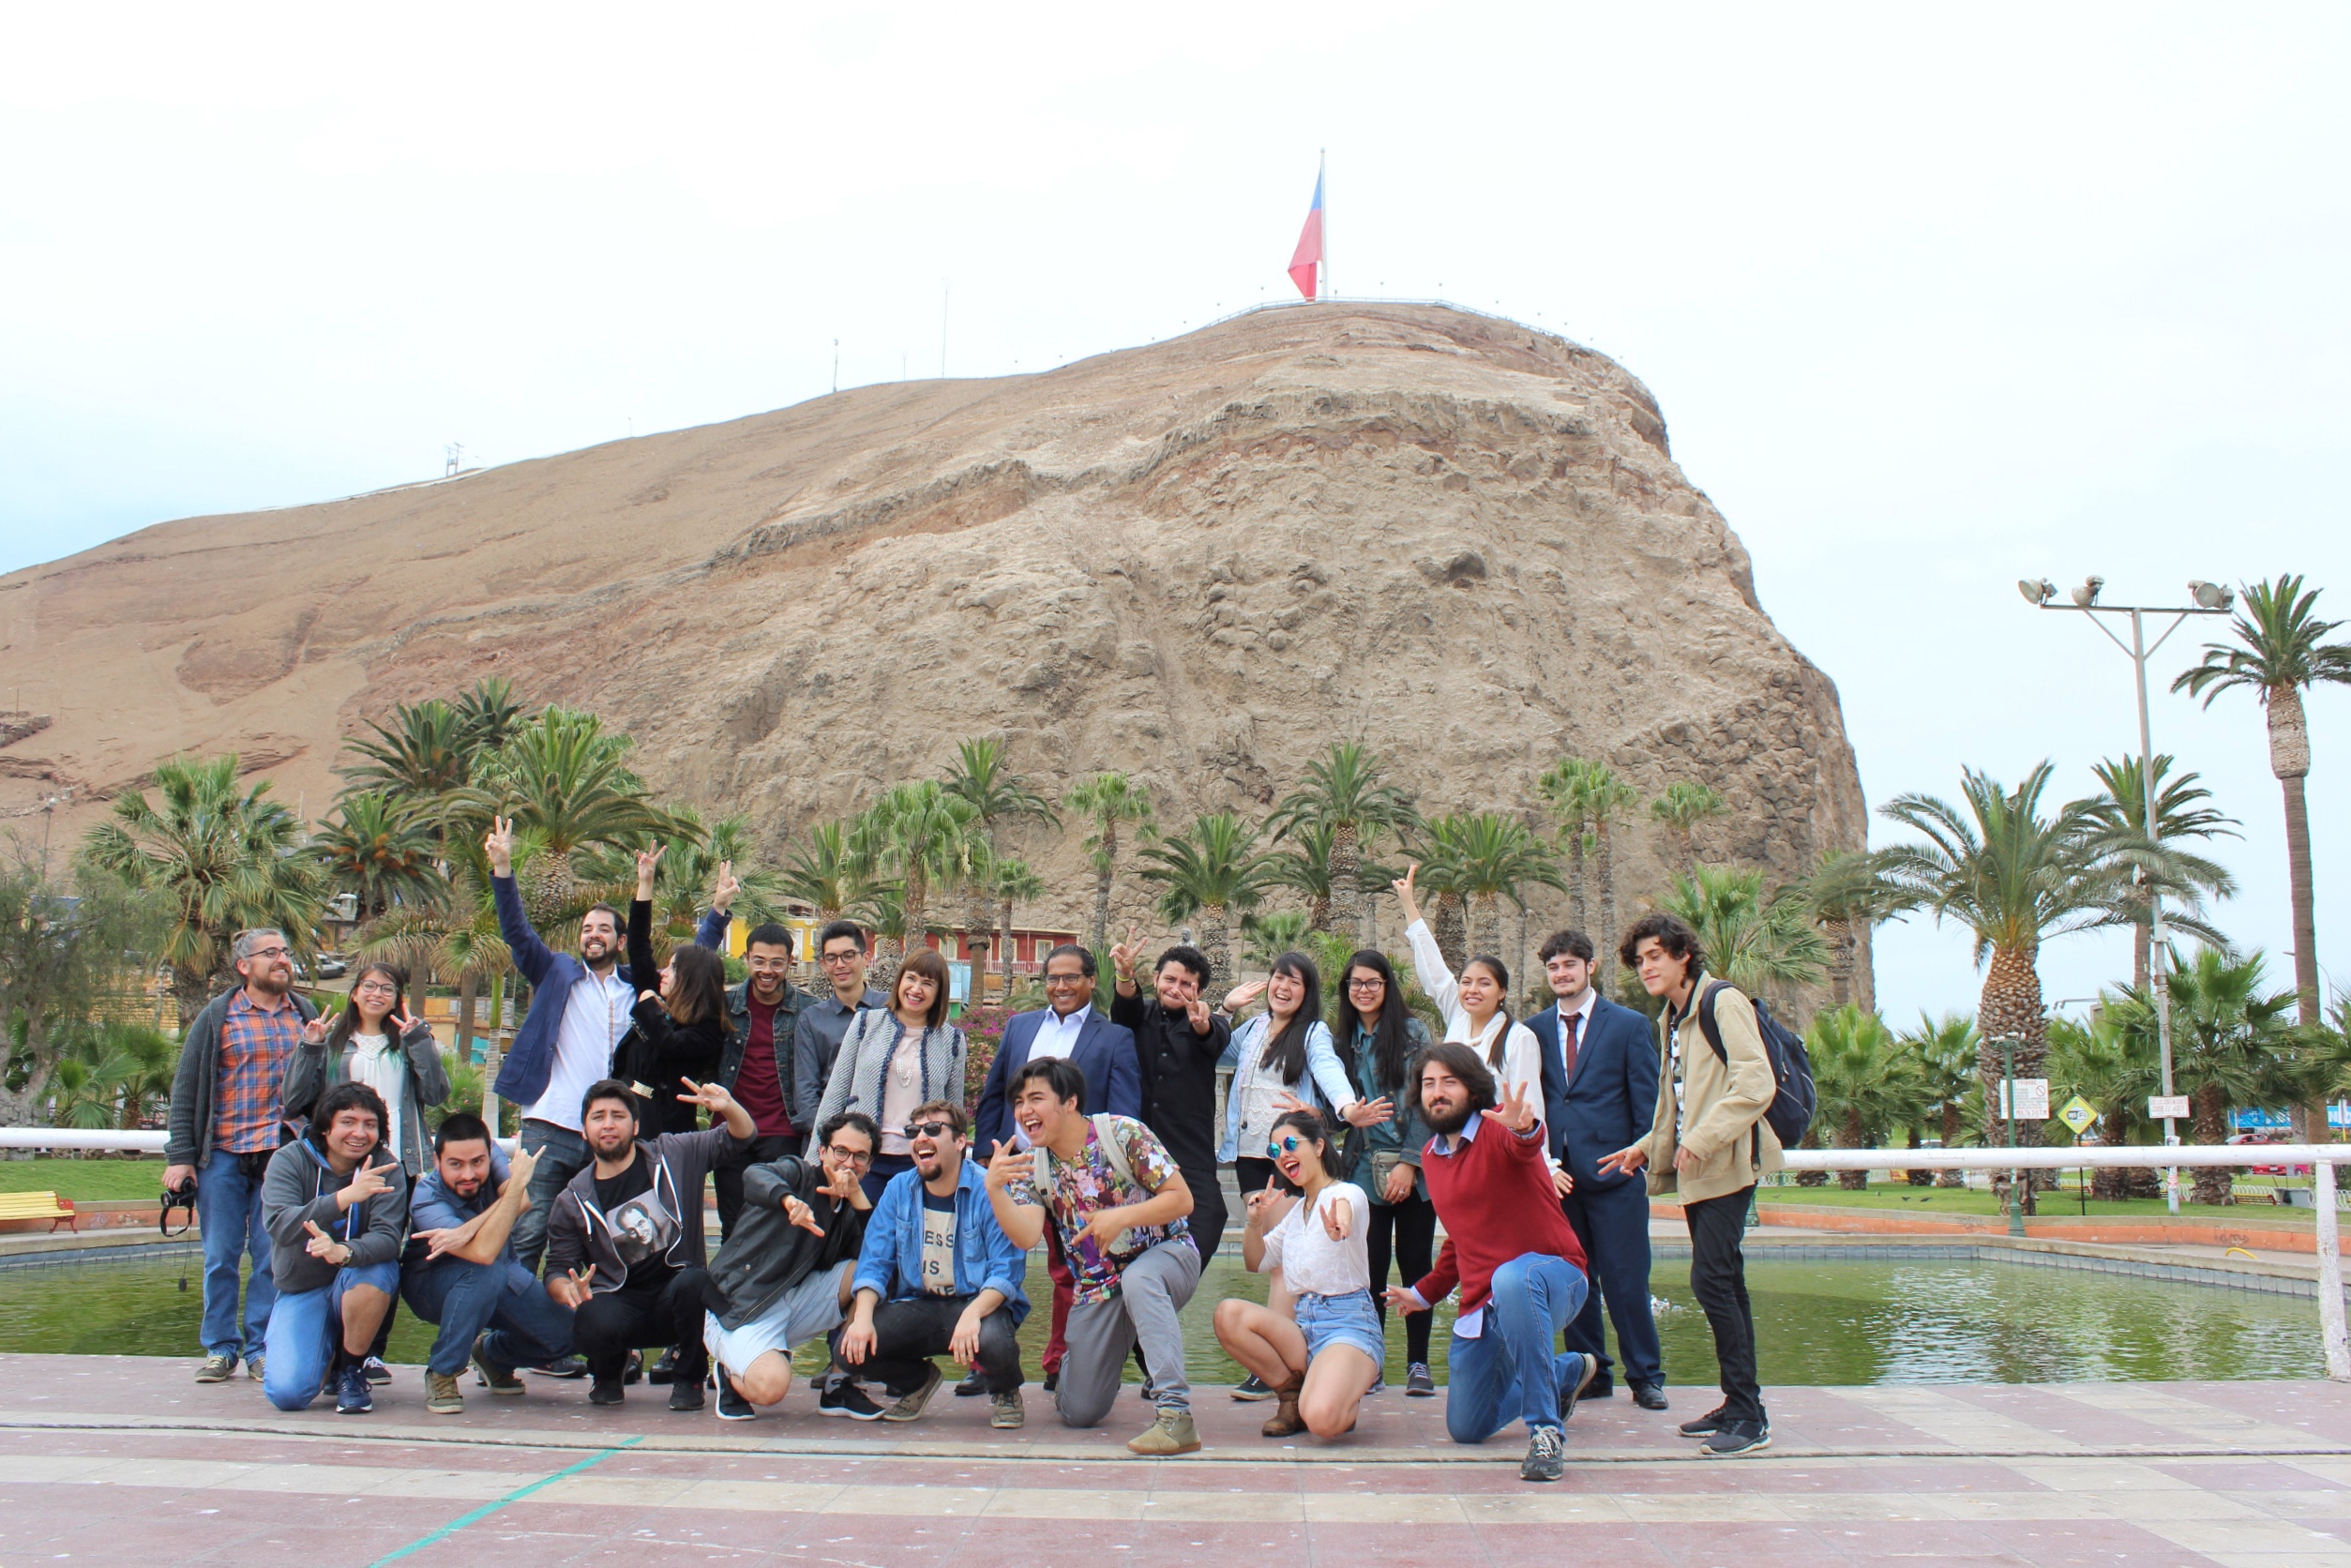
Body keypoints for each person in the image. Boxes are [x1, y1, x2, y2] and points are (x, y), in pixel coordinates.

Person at [1599, 913, 1782, 1458]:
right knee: (1726, 1281)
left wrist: (1703, 1138)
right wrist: (1646, 1147)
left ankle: (1748, 1417)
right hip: (1699, 1167)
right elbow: (1672, 1102)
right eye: (1639, 960)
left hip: (1727, 1163)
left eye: (1656, 956)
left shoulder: (1721, 1001)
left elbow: (1755, 1082)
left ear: (1683, 955)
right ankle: (1739, 1401)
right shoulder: (1673, 1018)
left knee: (1711, 1281)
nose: (1646, 967)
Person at [1384, 1043, 1595, 1484]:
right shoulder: (1431, 1158)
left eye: (1449, 1082)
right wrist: (1423, 1293)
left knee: (1512, 1278)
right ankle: (1565, 1371)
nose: (1437, 1092)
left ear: (1473, 1089)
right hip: (1485, 1304)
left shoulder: (1500, 1127)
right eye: (1428, 1084)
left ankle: (1545, 1432)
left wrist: (1525, 1127)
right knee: (1467, 1427)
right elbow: (1461, 1240)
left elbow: (1526, 1142)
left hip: (1555, 1276)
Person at [987, 1055, 1201, 1455]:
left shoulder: (1122, 1134)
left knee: (1141, 1280)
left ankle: (1175, 1415)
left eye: (1036, 1098)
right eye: (1018, 1102)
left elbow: (1183, 1200)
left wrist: (1121, 1217)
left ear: (1070, 1102)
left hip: (1166, 1255)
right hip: (1100, 1286)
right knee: (1078, 1409)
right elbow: (1025, 1235)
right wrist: (995, 1190)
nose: (1024, 1110)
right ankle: (1103, 1357)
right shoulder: (1035, 1167)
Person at [972, 942, 1139, 1395]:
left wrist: (1112, 1172)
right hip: (1018, 1168)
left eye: (1070, 978)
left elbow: (1124, 1110)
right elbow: (993, 1095)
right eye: (1052, 978)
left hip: (1077, 1172)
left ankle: (1061, 1363)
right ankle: (983, 1361)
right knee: (994, 1261)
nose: (1060, 986)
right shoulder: (1019, 1027)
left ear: (1091, 981)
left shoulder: (1114, 1037)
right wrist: (986, 1160)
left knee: (1074, 1270)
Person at [485, 816, 644, 1284]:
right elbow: (516, 931)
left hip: (607, 1135)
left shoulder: (634, 990)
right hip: (548, 1126)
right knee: (528, 1232)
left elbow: (689, 969)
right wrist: (503, 869)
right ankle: (504, 1342)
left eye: (603, 929)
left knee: (606, 1241)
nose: (592, 934)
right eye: (586, 928)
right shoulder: (556, 972)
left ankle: (588, 1344)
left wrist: (717, 914)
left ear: (620, 940)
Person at [165, 927, 326, 1386]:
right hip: (222, 1152)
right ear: (244, 966)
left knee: (271, 1254)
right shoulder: (219, 1015)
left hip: (280, 1154)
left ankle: (260, 1348)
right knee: (220, 1255)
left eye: (286, 953)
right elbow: (186, 1088)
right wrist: (180, 1156)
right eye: (270, 953)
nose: (282, 960)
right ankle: (220, 1347)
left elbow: (316, 1088)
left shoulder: (305, 1013)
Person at [281, 960, 447, 1386]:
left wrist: (419, 1040)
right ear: (354, 992)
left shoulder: (406, 1041)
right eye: (369, 986)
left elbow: (437, 1093)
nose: (377, 994)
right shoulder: (335, 1043)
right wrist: (311, 1047)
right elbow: (295, 1100)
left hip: (398, 1161)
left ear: (398, 997)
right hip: (342, 1161)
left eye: (387, 988)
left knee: (384, 1249)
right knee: (333, 1242)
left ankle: (370, 1352)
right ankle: (327, 1342)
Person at [544, 1076, 755, 1410]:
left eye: (618, 1115)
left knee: (694, 1281)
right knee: (591, 1316)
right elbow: (557, 1268)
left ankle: (689, 1378)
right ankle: (609, 1373)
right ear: (584, 1130)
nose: (608, 1125)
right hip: (620, 1301)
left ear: (636, 1124)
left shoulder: (673, 1154)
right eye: (598, 1117)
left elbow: (741, 1137)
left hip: (676, 1298)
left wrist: (728, 1108)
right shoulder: (572, 1200)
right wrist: (565, 1289)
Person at [1529, 927, 1666, 1410]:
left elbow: (1647, 1100)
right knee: (1575, 1283)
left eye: (1569, 964)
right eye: (1553, 967)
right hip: (1559, 1183)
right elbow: (1533, 1102)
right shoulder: (1533, 1030)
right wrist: (1541, 1166)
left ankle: (1646, 1377)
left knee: (1628, 1282)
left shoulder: (1627, 1025)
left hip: (1617, 1175)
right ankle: (1591, 1375)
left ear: (1591, 966)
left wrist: (1640, 1153)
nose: (1561, 973)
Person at [832, 1100, 1030, 1429]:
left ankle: (1006, 1390)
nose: (921, 1137)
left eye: (933, 1129)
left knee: (995, 1339)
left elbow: (1007, 1270)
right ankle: (918, 1381)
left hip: (975, 1305)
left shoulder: (987, 1189)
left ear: (960, 1141)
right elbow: (874, 1262)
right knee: (848, 1350)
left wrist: (971, 1314)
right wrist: (862, 1317)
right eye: (914, 1131)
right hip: (918, 1304)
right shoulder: (899, 1189)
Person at [1214, 1108, 1382, 1440]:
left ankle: (1341, 1389)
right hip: (1304, 1327)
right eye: (1275, 1151)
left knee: (1321, 1421)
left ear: (1319, 1147)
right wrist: (1255, 1222)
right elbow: (1255, 1262)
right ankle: (1292, 1398)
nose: (1283, 1155)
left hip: (1347, 1325)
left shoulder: (1346, 1194)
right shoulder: (1294, 1216)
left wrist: (1340, 1226)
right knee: (1228, 1314)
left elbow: (1344, 1212)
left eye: (1291, 1144)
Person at [702, 1110, 876, 1421]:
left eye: (860, 1156)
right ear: (822, 1151)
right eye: (841, 1152)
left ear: (870, 1164)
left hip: (794, 1303)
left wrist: (859, 1198)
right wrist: (788, 1200)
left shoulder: (850, 1211)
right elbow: (755, 1175)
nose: (849, 1163)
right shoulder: (797, 1174)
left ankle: (838, 1385)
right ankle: (727, 1374)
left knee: (868, 1274)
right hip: (739, 1306)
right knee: (771, 1389)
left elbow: (878, 1259)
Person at [399, 1112, 578, 1416]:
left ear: (489, 1152)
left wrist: (467, 1227)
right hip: (434, 1287)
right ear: (437, 1159)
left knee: (571, 1333)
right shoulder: (425, 1197)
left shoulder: (490, 1149)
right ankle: (443, 1372)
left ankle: (493, 1355)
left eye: (477, 1163)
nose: (468, 1174)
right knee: (485, 1271)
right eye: (455, 1164)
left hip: (502, 1275)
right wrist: (514, 1187)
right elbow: (482, 1251)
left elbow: (522, 1203)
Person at [257, 1081, 410, 1415]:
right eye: (348, 1122)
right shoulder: (289, 1160)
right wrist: (344, 1198)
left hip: (357, 1279)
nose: (359, 1132)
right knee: (288, 1394)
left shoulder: (386, 1168)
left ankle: (351, 1369)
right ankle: (325, 1356)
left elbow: (387, 1238)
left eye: (370, 1125)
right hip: (303, 1287)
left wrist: (345, 1252)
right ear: (326, 1126)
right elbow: (280, 1225)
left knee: (378, 1268)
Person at [691, 860, 820, 1233]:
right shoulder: (724, 1006)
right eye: (759, 961)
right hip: (731, 1129)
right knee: (734, 1223)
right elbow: (693, 971)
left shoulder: (808, 1012)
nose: (767, 970)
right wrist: (717, 910)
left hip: (783, 1132)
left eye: (776, 963)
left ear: (790, 963)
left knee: (776, 1224)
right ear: (746, 959)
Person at [1334, 948, 1439, 1398]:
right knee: (1369, 1272)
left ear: (1387, 986)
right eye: (1356, 983)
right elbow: (1336, 1105)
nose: (1364, 990)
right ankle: (1373, 1363)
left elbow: (1428, 1097)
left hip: (1414, 1171)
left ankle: (1418, 1363)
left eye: (1373, 982)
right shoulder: (1342, 1040)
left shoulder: (1414, 1033)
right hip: (1361, 1169)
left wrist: (1409, 1162)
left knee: (1417, 1266)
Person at [1107, 931, 1231, 1266]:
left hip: (1189, 1156)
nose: (1176, 989)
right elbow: (1125, 1006)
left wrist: (1202, 1023)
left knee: (1210, 1218)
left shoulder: (1207, 1025)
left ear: (1199, 992)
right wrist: (1124, 974)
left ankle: (1171, 1283)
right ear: (1156, 978)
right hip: (1135, 1159)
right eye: (1170, 979)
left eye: (1187, 984)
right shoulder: (1138, 1018)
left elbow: (1212, 1037)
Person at [813, 947, 965, 1200]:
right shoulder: (866, 1023)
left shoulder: (953, 1041)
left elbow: (954, 1111)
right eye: (911, 978)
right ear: (900, 980)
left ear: (939, 993)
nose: (916, 990)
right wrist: (814, 1163)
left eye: (928, 983)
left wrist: (954, 1167)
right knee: (862, 1232)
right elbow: (835, 1093)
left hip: (920, 1161)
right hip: (862, 1158)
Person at [1393, 866, 1545, 1110]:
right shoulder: (1458, 1015)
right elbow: (1434, 970)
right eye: (1466, 982)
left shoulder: (1519, 1039)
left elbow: (1531, 1110)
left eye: (1484, 983)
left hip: (1497, 1144)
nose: (1472, 990)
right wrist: (1408, 902)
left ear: (1502, 992)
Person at [618, 846, 733, 1136]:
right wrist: (645, 884)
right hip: (626, 1122)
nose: (662, 973)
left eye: (671, 968)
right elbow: (639, 948)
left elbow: (670, 1045)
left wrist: (648, 1006)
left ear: (689, 979)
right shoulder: (657, 996)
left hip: (669, 1134)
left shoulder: (708, 1028)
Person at [792, 921, 889, 1140]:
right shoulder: (812, 1019)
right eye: (831, 958)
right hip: (829, 1135)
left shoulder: (890, 1008)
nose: (840, 965)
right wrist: (827, 1137)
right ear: (823, 964)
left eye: (848, 955)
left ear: (866, 957)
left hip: (886, 1133)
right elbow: (806, 1087)